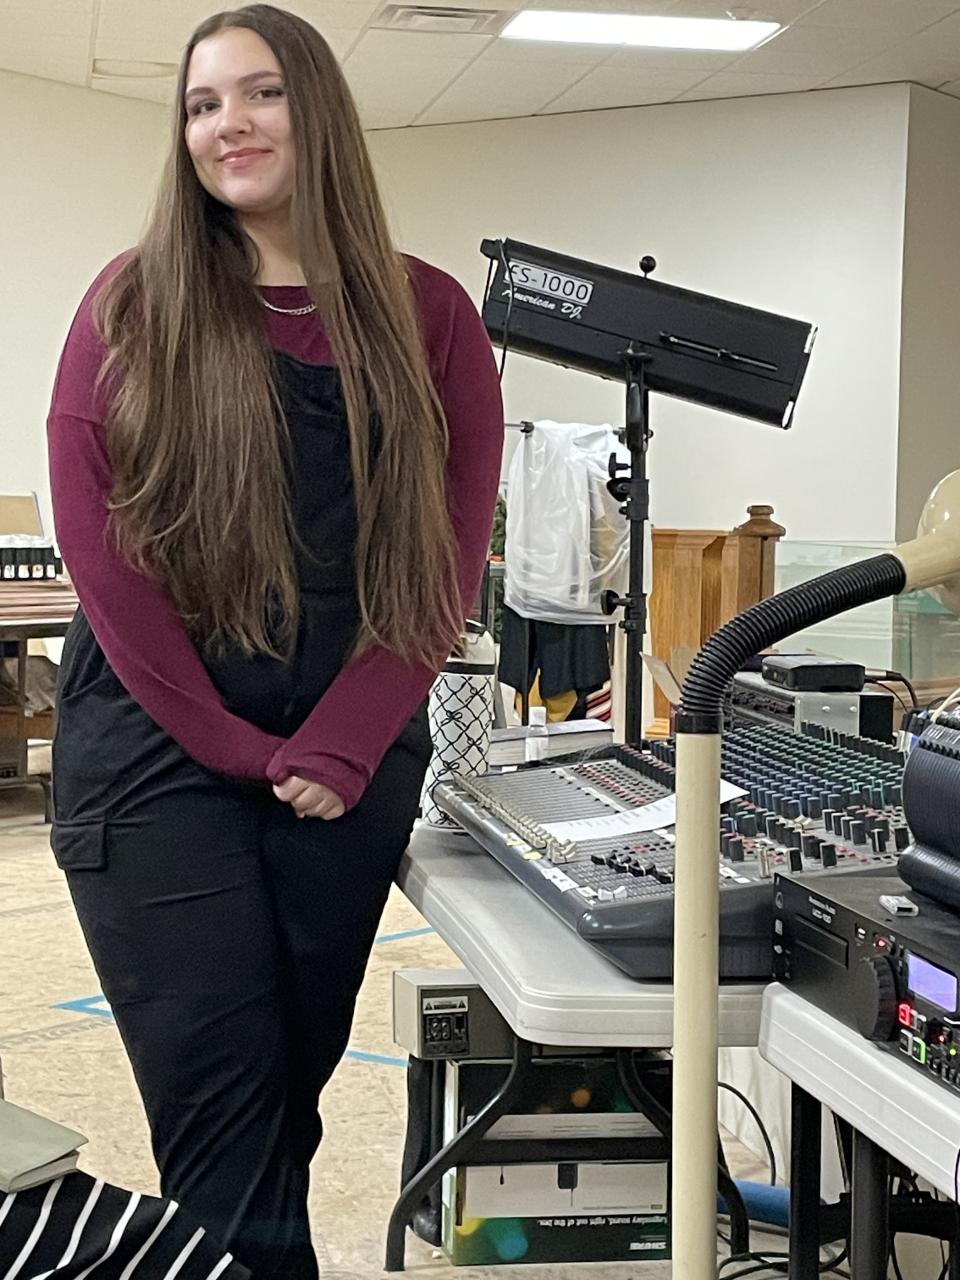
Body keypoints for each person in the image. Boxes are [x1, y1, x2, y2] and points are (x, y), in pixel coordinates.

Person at [45, 6, 503, 1277]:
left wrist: (348, 740)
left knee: (283, 1099)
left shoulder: (429, 315)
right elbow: (103, 551)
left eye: (259, 93)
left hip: (344, 762)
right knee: (223, 1116)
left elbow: (442, 557)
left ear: (318, 111)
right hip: (157, 754)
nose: (228, 124)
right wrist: (232, 745)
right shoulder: (134, 304)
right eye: (202, 104)